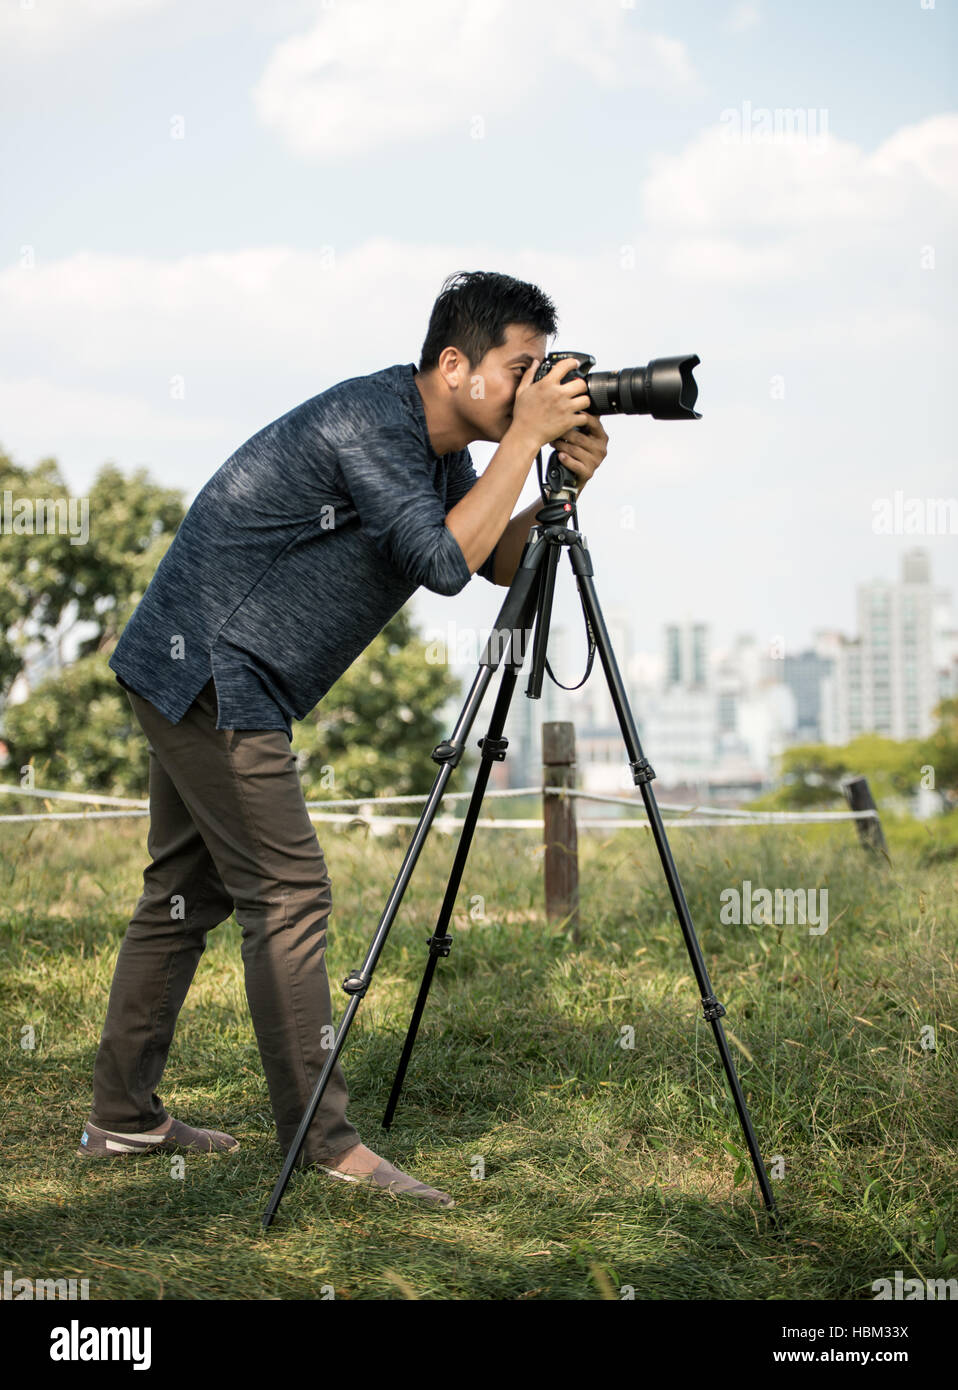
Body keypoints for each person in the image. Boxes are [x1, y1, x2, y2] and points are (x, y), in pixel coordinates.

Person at [79, 269, 608, 1209]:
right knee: (288, 895)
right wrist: (523, 440)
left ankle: (122, 1119)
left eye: (541, 374)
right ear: (455, 364)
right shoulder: (372, 423)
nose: (534, 389)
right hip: (214, 671)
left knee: (180, 897)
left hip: (204, 668)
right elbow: (444, 565)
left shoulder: (437, 449)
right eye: (519, 369)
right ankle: (325, 1146)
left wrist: (554, 483)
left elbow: (489, 556)